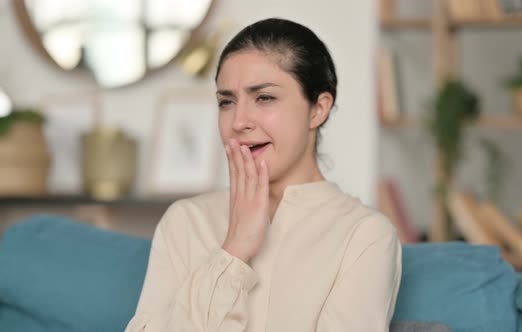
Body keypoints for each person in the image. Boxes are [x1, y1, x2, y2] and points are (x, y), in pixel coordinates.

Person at [125, 17, 401, 332]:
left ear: (318, 109)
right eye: (226, 102)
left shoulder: (364, 235)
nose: (239, 121)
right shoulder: (185, 221)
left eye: (264, 97)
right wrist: (234, 249)